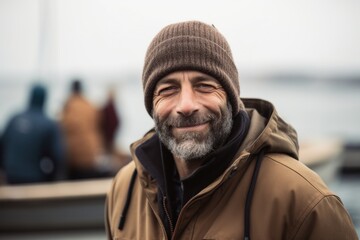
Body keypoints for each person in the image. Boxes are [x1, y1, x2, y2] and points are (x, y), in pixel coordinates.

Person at [105, 21, 358, 239]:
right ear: (152, 104)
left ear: (231, 98)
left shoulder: (304, 201)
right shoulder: (126, 188)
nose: (186, 105)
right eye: (168, 89)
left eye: (204, 85)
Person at [0, 84, 65, 184]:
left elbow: (2, 145)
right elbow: (57, 157)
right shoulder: (48, 124)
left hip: (11, 177)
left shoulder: (14, 119)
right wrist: (51, 179)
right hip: (34, 179)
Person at [60, 79, 107, 179]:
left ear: (71, 90)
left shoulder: (67, 107)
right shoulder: (90, 106)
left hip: (73, 160)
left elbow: (61, 127)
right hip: (91, 157)